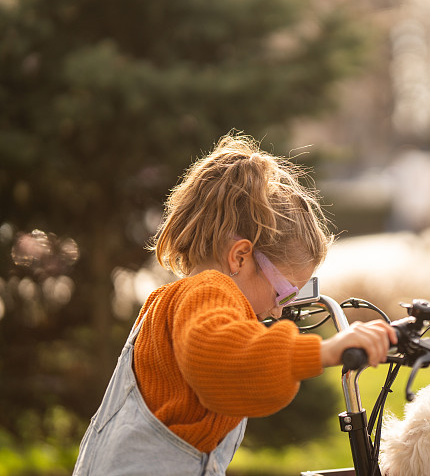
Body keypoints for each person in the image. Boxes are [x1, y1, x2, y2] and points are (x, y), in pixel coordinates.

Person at [73, 134, 397, 475]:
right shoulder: (210, 290)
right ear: (240, 257)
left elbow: (242, 386)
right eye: (284, 293)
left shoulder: (175, 300)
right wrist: (327, 351)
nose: (279, 311)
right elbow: (220, 361)